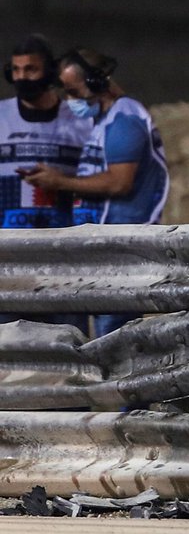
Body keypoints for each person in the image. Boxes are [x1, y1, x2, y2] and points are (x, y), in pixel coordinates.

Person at [25, 48, 170, 337]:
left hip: (121, 251)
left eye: (73, 91)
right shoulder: (104, 121)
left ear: (95, 83)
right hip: (105, 248)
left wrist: (60, 182)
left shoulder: (124, 121)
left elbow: (119, 182)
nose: (70, 100)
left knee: (113, 338)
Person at [0, 34, 91, 333]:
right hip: (7, 260)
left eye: (31, 70)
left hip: (64, 258)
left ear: (50, 73)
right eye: (17, 70)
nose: (22, 77)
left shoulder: (80, 121)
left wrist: (61, 181)